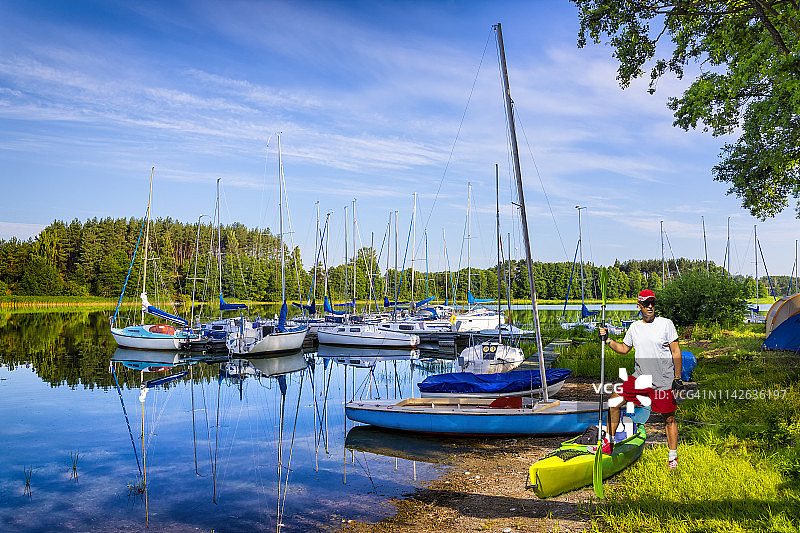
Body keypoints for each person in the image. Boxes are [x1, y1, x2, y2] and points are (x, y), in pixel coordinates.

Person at [598, 289, 683, 469]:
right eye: (646, 304)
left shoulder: (666, 324)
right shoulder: (634, 328)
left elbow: (676, 351)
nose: (650, 306)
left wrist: (677, 378)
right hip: (640, 379)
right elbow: (623, 349)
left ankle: (672, 458)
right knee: (613, 403)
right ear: (639, 306)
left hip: (663, 380)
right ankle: (610, 442)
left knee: (668, 419)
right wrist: (607, 340)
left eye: (652, 303)